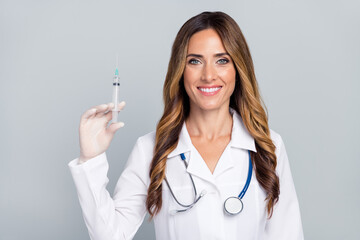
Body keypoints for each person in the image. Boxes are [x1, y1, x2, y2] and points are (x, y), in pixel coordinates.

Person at [68, 11, 304, 240]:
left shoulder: (268, 146)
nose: (209, 75)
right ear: (180, 71)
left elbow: (288, 234)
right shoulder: (150, 149)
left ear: (238, 70)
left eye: (222, 60)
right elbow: (111, 236)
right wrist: (91, 160)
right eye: (195, 61)